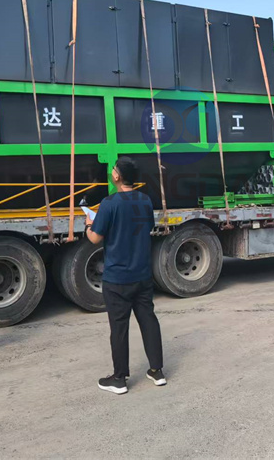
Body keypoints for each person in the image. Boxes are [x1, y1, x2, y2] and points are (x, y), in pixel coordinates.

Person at [85, 156, 166, 394]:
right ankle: (157, 371)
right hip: (142, 274)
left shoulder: (109, 203)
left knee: (119, 328)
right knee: (148, 321)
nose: (111, 172)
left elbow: (95, 238)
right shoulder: (145, 200)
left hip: (117, 278)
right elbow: (147, 227)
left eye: (113, 169)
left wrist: (89, 224)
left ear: (117, 176)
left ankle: (119, 378)